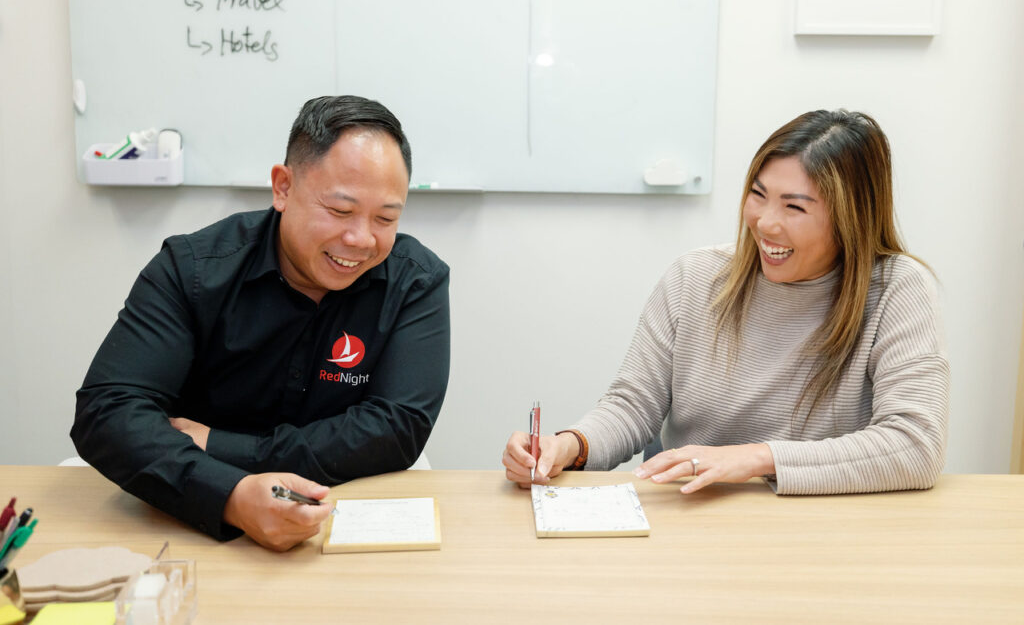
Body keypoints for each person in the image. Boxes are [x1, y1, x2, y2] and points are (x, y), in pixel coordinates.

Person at [502, 109, 949, 495]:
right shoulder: (694, 277)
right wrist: (569, 446)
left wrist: (756, 459)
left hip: (821, 532)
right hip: (692, 518)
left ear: (851, 218)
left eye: (794, 208)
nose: (765, 223)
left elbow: (916, 445)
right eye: (758, 195)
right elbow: (633, 406)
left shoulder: (897, 290)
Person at [73, 95, 450, 551]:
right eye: (340, 210)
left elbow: (397, 428)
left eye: (386, 218)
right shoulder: (193, 269)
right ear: (283, 187)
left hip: (344, 520)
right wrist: (230, 496)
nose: (361, 240)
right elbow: (108, 411)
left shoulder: (415, 281)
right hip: (190, 518)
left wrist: (221, 445)